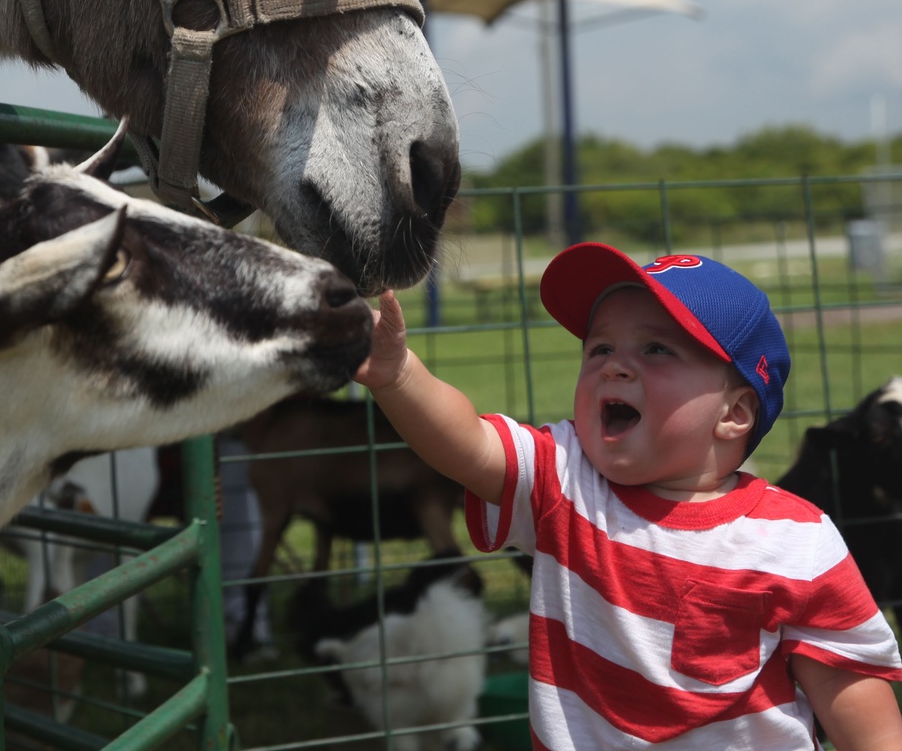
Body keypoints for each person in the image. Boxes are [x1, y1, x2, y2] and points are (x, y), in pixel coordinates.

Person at [354, 242, 902, 750]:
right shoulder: (565, 479)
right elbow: (468, 444)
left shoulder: (797, 543)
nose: (614, 364)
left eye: (657, 348)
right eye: (601, 347)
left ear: (733, 414)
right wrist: (398, 375)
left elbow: (852, 694)